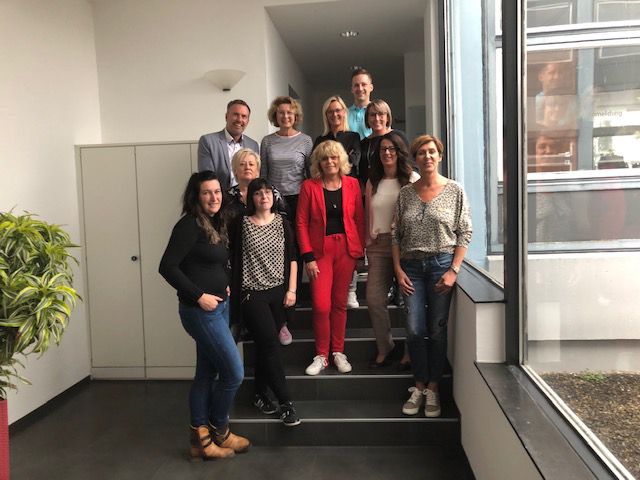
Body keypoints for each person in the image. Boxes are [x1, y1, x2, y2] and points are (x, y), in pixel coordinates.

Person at [159, 171, 251, 460]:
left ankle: (199, 440)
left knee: (206, 373)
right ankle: (218, 429)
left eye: (217, 192)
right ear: (196, 197)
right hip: (200, 311)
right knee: (234, 373)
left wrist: (223, 283)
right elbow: (167, 267)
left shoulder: (214, 222)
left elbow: (212, 262)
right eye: (207, 192)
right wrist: (199, 295)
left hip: (220, 307)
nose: (214, 197)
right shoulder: (188, 225)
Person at [392, 135, 472, 418]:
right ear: (415, 159)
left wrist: (454, 270)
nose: (426, 157)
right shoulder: (405, 194)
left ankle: (434, 388)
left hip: (441, 266)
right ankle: (419, 385)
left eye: (431, 152)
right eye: (421, 153)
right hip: (411, 268)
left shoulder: (455, 190)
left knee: (437, 330)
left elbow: (465, 231)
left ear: (440, 156)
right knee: (414, 330)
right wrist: (398, 269)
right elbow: (395, 235)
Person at [228, 178, 301, 427]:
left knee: (264, 345)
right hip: (252, 294)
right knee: (270, 343)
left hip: (279, 293)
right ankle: (286, 403)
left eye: (268, 192)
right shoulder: (241, 224)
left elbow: (293, 257)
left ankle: (259, 394)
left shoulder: (282, 222)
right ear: (251, 198)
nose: (264, 197)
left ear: (274, 196)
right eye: (258, 193)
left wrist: (292, 290)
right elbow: (230, 255)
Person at [297, 141, 365, 376]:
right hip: (319, 253)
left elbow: (359, 219)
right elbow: (301, 223)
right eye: (325, 158)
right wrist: (308, 256)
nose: (329, 162)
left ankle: (337, 351)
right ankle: (321, 355)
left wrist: (359, 253)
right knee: (321, 305)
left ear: (341, 160)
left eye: (334, 157)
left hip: (346, 250)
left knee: (339, 304)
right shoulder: (309, 186)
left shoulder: (353, 184)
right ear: (319, 162)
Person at [226, 148, 294, 346]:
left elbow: (284, 222)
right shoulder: (227, 197)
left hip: (272, 263)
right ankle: (241, 323)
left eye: (251, 164)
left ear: (258, 169)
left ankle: (280, 322)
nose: (247, 167)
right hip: (243, 261)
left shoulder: (272, 193)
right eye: (242, 164)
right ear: (234, 170)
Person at [365, 132, 419, 369]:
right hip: (379, 246)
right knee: (374, 299)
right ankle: (385, 347)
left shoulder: (412, 179)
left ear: (399, 151)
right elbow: (368, 213)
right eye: (383, 149)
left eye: (392, 149)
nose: (387, 153)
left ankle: (409, 351)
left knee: (409, 301)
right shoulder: (373, 181)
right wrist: (368, 240)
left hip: (406, 246)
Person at [312, 95, 362, 309]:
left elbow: (353, 162)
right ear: (326, 115)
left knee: (351, 238)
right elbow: (315, 166)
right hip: (325, 192)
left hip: (349, 191)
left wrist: (335, 161)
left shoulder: (353, 136)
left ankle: (351, 289)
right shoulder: (319, 140)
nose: (335, 114)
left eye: (338, 110)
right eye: (330, 111)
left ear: (344, 112)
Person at [260, 96, 313, 223]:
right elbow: (263, 173)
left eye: (289, 112)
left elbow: (311, 172)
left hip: (299, 197)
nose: (285, 116)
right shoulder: (267, 141)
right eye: (281, 113)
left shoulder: (306, 141)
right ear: (275, 115)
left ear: (295, 116)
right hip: (273, 197)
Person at [197, 99, 259, 191]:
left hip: (247, 196)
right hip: (220, 197)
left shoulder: (253, 145)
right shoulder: (208, 141)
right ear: (226, 117)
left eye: (244, 116)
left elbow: (256, 177)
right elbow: (207, 178)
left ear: (248, 121)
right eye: (235, 115)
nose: (239, 120)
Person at [359, 99, 410, 192]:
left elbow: (410, 164)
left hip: (398, 188)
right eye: (372, 115)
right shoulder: (363, 144)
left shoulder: (398, 137)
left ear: (387, 117)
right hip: (371, 191)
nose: (377, 118)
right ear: (367, 118)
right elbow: (361, 171)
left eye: (381, 114)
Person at [348, 68, 374, 140]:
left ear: (371, 87)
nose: (360, 88)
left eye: (364, 84)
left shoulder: (378, 113)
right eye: (356, 85)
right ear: (352, 89)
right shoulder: (344, 114)